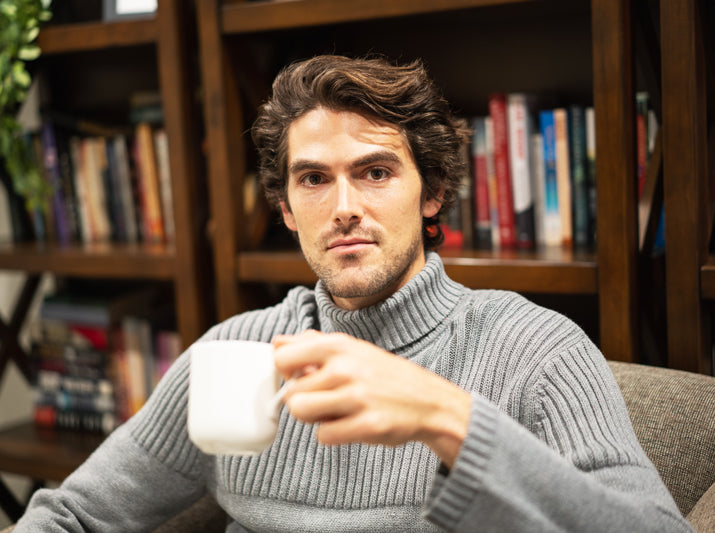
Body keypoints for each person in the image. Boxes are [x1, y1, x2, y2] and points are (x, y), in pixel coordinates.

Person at [15, 55, 692, 532]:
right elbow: (74, 515)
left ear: (430, 192)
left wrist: (450, 420)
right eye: (313, 179)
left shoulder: (533, 349)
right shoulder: (232, 353)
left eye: (373, 172)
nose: (343, 207)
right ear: (284, 208)